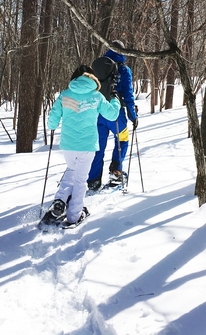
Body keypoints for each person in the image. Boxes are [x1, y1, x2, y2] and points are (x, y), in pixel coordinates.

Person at [45, 64, 121, 227]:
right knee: (80, 180)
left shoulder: (64, 95)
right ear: (91, 78)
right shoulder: (96, 96)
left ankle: (59, 200)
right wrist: (115, 99)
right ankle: (73, 215)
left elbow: (51, 122)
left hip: (68, 145)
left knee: (71, 170)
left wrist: (53, 125)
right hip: (87, 146)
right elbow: (112, 114)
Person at [87, 40, 138, 191]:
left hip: (98, 113)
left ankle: (93, 180)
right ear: (122, 52)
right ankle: (116, 173)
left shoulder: (97, 68)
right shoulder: (124, 70)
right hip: (116, 115)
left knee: (98, 147)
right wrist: (133, 116)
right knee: (122, 141)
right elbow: (128, 95)